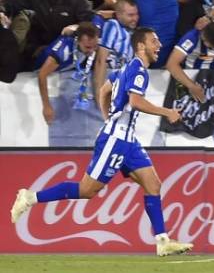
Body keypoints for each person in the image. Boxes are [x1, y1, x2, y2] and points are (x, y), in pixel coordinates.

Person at [11, 27, 194, 257]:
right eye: (154, 41)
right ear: (140, 46)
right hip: (116, 140)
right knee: (86, 190)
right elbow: (136, 102)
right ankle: (29, 198)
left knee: (153, 184)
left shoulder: (126, 67)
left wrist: (107, 115)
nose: (159, 45)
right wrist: (166, 112)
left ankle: (162, 241)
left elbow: (105, 89)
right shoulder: (139, 71)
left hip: (129, 142)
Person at [37, 22, 100, 125]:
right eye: (88, 47)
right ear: (78, 41)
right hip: (38, 66)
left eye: (95, 47)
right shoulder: (63, 52)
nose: (92, 51)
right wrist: (46, 106)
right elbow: (41, 75)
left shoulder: (86, 38)